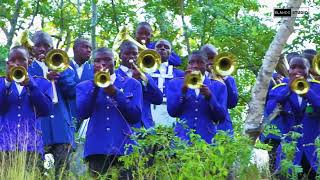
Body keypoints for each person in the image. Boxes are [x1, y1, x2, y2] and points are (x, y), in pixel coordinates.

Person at [76, 47, 142, 178]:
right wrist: (95, 86)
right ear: (92, 64)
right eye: (98, 60)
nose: (102, 63)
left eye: (107, 59)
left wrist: (115, 93)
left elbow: (135, 116)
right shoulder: (84, 86)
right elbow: (83, 113)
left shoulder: (133, 84)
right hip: (97, 148)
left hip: (124, 147)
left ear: (115, 62)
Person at [28, 31, 77, 178]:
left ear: (52, 47)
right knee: (35, 172)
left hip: (61, 126)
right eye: (38, 45)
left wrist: (59, 75)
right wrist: (44, 78)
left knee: (63, 172)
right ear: (32, 48)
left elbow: (72, 93)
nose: (42, 49)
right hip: (37, 127)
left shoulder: (65, 67)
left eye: (47, 45)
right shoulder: (27, 68)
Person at [266, 56, 320, 179]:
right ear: (289, 70)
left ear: (309, 71)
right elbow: (270, 111)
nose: (297, 71)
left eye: (302, 67)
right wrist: (287, 90)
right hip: (289, 152)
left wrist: (308, 92)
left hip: (314, 153)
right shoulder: (278, 89)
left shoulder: (317, 88)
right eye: (293, 67)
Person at [0, 46, 52, 171]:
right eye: (13, 60)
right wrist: (7, 82)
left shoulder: (42, 83)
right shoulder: (2, 83)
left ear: (29, 61)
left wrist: (31, 85)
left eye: (22, 59)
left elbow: (46, 110)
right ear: (8, 63)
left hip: (31, 146)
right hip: (4, 146)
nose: (17, 63)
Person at [166, 50, 227, 143]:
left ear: (206, 65)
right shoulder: (175, 83)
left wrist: (210, 97)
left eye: (200, 62)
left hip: (207, 140)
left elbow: (221, 117)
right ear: (187, 65)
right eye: (191, 62)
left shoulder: (219, 86)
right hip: (181, 140)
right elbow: (172, 112)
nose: (195, 66)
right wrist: (183, 92)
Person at [115, 40, 163, 129]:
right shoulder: (114, 76)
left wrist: (145, 81)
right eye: (127, 53)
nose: (131, 56)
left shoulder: (145, 75)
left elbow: (158, 100)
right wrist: (133, 81)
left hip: (146, 127)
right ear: (120, 55)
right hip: (124, 127)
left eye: (134, 54)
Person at [201, 44, 238, 135]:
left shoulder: (229, 79)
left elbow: (232, 103)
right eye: (207, 59)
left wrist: (224, 79)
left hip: (223, 127)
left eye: (213, 58)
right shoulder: (195, 78)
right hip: (201, 125)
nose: (210, 62)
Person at [150, 39, 184, 126]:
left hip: (171, 112)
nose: (162, 49)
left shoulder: (180, 74)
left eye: (166, 47)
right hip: (149, 112)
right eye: (159, 46)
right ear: (153, 50)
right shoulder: (145, 71)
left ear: (170, 52)